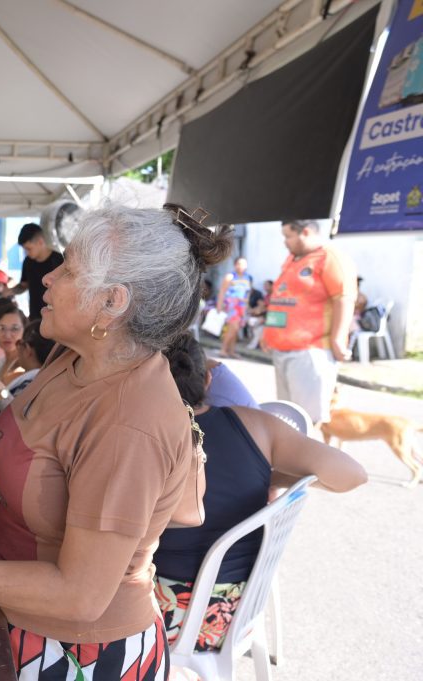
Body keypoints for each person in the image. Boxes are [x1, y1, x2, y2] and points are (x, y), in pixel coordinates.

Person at [0, 203, 233, 680]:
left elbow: (80, 594)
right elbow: (7, 440)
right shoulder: (74, 356)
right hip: (16, 618)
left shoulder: (127, 425)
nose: (48, 278)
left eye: (69, 269)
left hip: (76, 655)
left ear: (112, 303)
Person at [154, 333, 367, 651]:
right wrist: (270, 475)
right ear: (208, 379)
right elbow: (352, 474)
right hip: (232, 610)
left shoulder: (142, 433)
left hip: (163, 613)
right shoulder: (254, 425)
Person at [262, 220, 357, 426]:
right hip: (283, 350)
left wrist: (339, 339)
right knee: (287, 419)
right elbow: (283, 299)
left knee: (307, 422)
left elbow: (344, 298)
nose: (285, 242)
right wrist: (268, 334)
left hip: (310, 351)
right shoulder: (293, 259)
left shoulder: (329, 257)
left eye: (288, 236)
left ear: (305, 232)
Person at [7, 222, 64, 321]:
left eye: (29, 249)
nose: (26, 253)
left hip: (56, 316)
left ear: (40, 242)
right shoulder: (28, 262)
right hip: (35, 317)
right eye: (24, 249)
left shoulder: (59, 260)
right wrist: (9, 291)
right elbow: (24, 285)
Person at [215, 257, 252, 359]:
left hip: (242, 306)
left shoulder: (248, 277)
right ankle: (223, 349)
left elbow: (248, 292)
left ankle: (231, 351)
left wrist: (247, 304)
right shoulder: (230, 276)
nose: (242, 266)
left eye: (244, 264)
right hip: (232, 305)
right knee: (233, 327)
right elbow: (222, 291)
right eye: (239, 264)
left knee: (235, 330)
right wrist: (219, 305)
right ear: (235, 265)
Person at [244, 279, 272, 350]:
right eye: (264, 285)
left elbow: (268, 308)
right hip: (263, 316)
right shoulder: (266, 296)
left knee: (257, 326)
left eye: (267, 285)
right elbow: (263, 307)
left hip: (270, 317)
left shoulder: (274, 296)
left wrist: (262, 315)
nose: (264, 287)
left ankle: (254, 344)